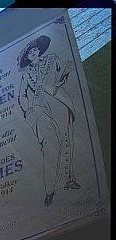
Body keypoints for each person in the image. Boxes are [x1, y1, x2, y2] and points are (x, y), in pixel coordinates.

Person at [18, 34, 81, 207]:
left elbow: (63, 74)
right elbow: (22, 96)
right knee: (48, 146)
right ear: (27, 57)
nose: (34, 52)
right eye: (30, 52)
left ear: (39, 50)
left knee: (66, 140)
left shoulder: (52, 59)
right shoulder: (26, 75)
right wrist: (28, 110)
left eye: (36, 49)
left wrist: (61, 78)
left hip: (59, 101)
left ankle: (68, 178)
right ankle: (49, 190)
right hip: (40, 109)